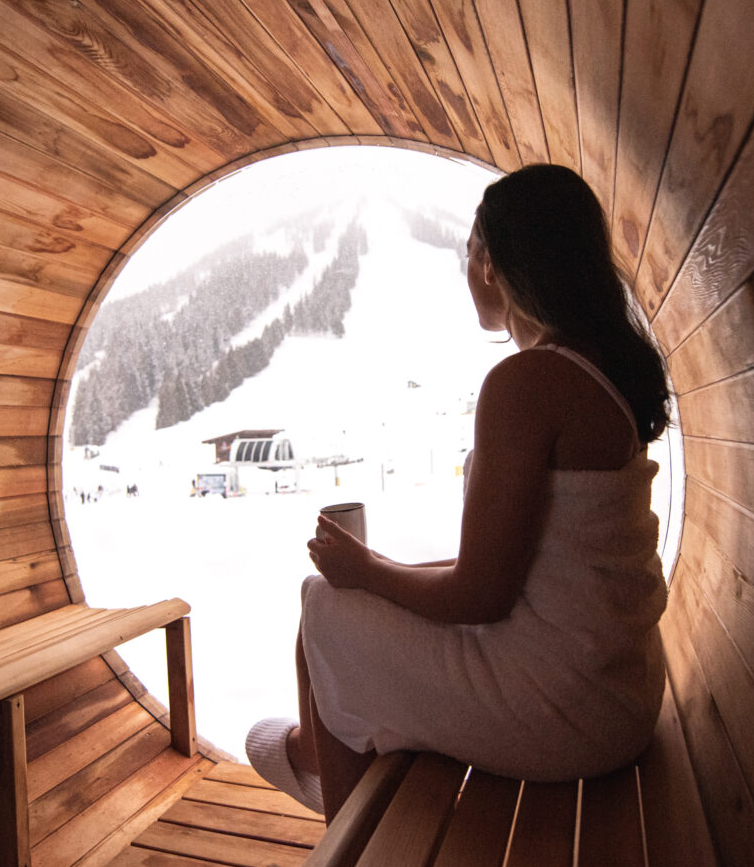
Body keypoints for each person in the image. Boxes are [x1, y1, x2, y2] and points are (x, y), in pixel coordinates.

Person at [245, 164, 672, 821]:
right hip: (622, 686)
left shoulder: (526, 383)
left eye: (470, 250)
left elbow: (481, 594)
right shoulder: (602, 370)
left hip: (569, 710)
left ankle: (329, 797)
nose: (467, 266)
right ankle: (322, 764)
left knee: (323, 606)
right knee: (341, 601)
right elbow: (525, 568)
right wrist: (374, 570)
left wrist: (365, 572)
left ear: (493, 264)